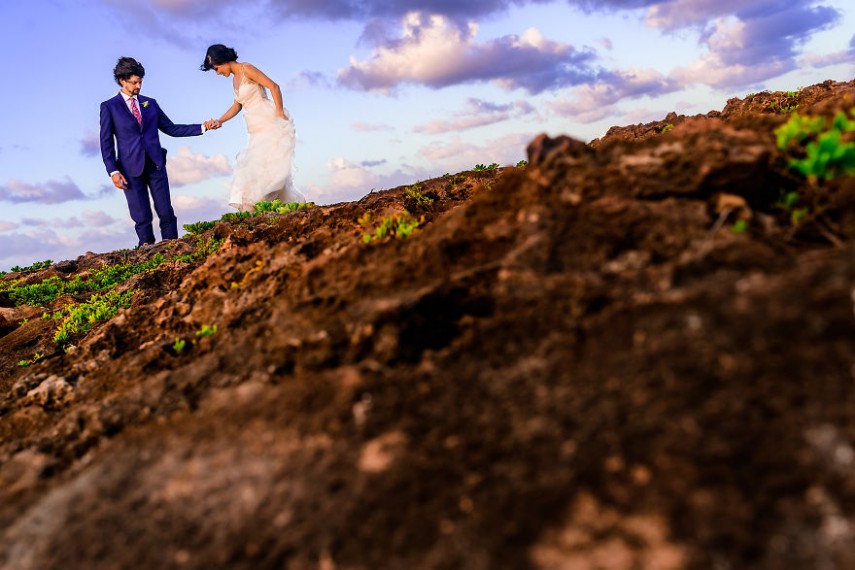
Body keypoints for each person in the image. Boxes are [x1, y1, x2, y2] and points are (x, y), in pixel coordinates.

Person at [100, 56, 219, 246]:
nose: (138, 86)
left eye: (140, 81)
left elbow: (171, 129)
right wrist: (113, 171)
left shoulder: (150, 104)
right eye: (134, 82)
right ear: (122, 80)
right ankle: (146, 253)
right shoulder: (109, 107)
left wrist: (202, 127)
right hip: (129, 169)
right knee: (141, 216)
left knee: (166, 211)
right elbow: (105, 143)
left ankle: (172, 248)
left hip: (155, 164)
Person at [201, 44, 304, 211]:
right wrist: (220, 121)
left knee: (265, 169)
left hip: (268, 122)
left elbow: (274, 86)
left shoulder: (246, 69)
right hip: (255, 129)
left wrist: (279, 112)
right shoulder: (235, 80)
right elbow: (237, 105)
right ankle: (272, 210)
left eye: (216, 68)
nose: (217, 72)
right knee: (258, 169)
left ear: (223, 60)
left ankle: (263, 206)